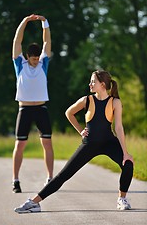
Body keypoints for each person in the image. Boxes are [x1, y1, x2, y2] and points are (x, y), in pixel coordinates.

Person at [14, 70, 134, 212]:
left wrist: (125, 152)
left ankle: (122, 199)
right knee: (64, 175)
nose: (90, 84)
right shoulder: (87, 100)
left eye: (93, 81)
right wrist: (81, 131)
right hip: (89, 144)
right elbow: (69, 113)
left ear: (102, 84)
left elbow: (119, 127)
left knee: (128, 164)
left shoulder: (115, 102)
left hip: (108, 142)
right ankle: (34, 202)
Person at [12, 14, 54, 193]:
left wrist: (45, 22)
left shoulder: (44, 63)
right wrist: (25, 21)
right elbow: (17, 41)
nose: (36, 61)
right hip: (25, 109)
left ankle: (51, 178)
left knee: (47, 143)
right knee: (20, 144)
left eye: (38, 58)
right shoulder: (20, 64)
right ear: (28, 57)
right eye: (33, 58)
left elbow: (47, 43)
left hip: (41, 108)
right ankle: (15, 180)